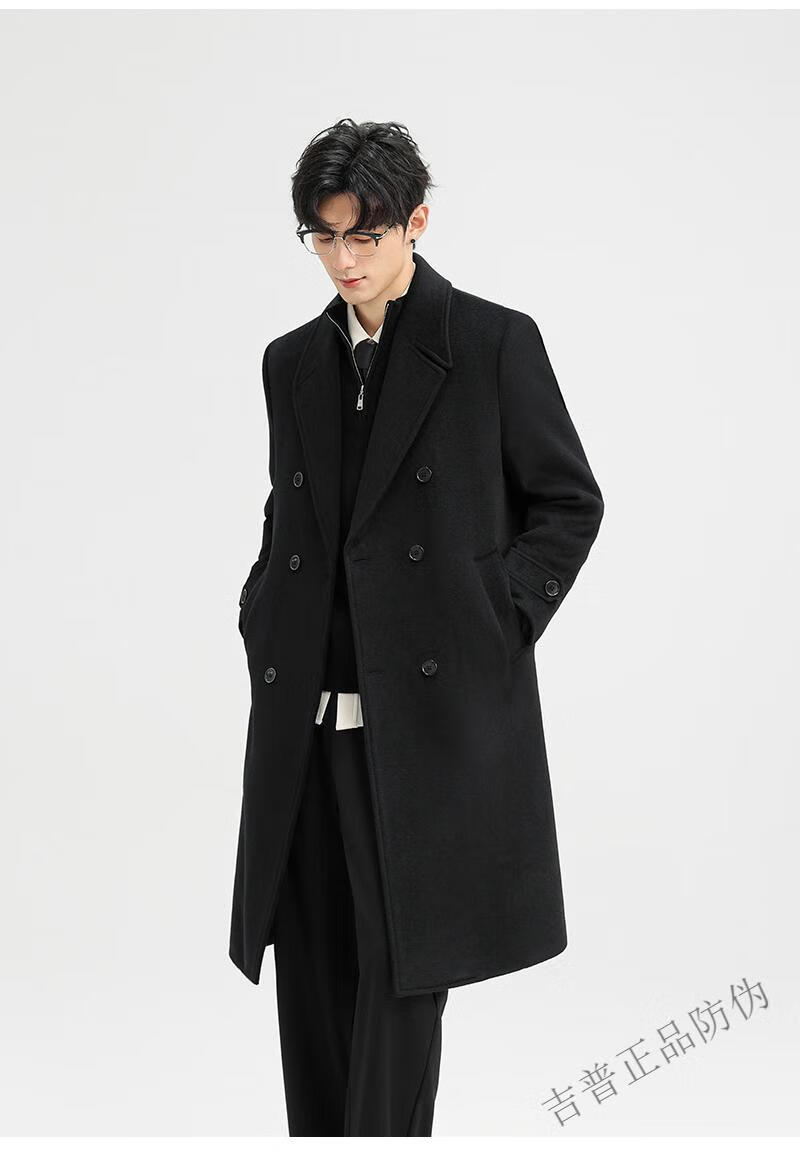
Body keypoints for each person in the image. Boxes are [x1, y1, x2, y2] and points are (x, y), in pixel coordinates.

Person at [229, 118, 605, 1137]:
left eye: (364, 234)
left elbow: (568, 502)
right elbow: (289, 513)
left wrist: (494, 619)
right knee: (311, 973)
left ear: (416, 224)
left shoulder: (490, 344)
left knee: (402, 977)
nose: (342, 259)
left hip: (423, 732)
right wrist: (261, 609)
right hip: (304, 727)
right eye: (323, 236)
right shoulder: (291, 363)